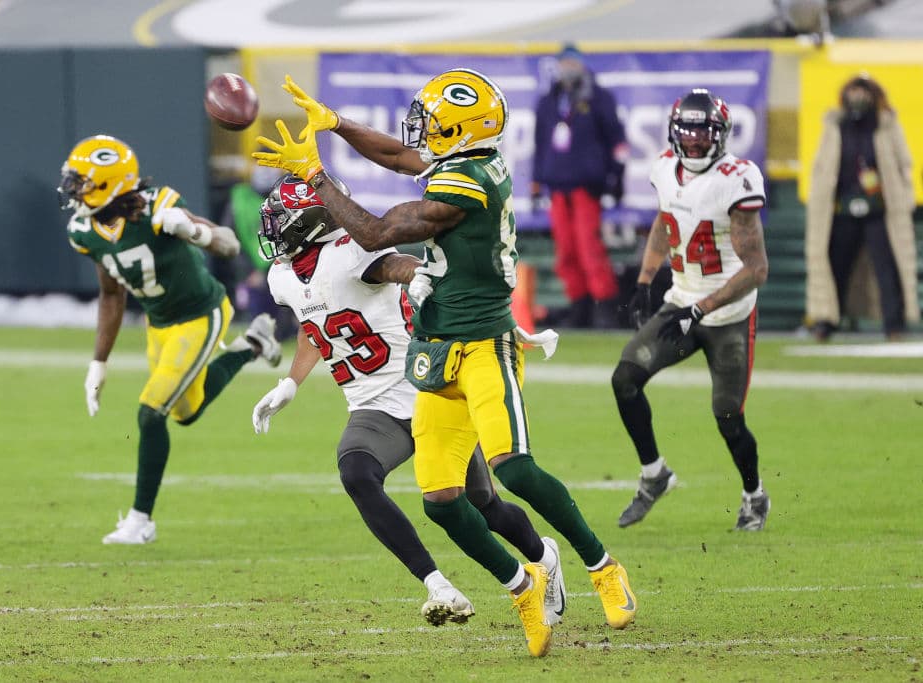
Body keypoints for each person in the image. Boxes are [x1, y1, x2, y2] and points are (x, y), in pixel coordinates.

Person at [253, 69, 636, 658]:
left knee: (513, 470)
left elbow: (381, 235)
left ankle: (601, 565)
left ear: (460, 129)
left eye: (433, 122)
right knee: (442, 502)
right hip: (435, 354)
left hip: (484, 342)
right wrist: (334, 124)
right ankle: (523, 586)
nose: (422, 131)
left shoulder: (471, 182)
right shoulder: (456, 162)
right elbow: (402, 158)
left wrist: (317, 177)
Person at [250, 173, 567, 628]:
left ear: (312, 223)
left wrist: (418, 275)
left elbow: (393, 264)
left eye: (280, 221)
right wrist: (291, 383)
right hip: (372, 408)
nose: (273, 231)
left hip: (428, 391)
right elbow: (313, 316)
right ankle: (438, 584)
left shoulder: (351, 252)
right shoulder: (282, 274)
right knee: (356, 471)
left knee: (481, 505)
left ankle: (543, 555)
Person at [58, 134, 283, 544]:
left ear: (109, 185)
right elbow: (111, 294)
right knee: (185, 412)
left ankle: (140, 522)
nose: (74, 190)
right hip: (158, 324)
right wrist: (99, 362)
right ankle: (254, 344)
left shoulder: (157, 205)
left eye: (83, 182)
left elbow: (229, 245)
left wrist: (192, 231)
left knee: (151, 411)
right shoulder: (83, 229)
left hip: (201, 314)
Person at [613, 90, 771, 532]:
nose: (696, 141)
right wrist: (645, 281)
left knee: (727, 416)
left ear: (720, 136)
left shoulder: (735, 179)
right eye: (688, 131)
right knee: (625, 380)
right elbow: (666, 223)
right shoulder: (664, 167)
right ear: (674, 132)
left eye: (705, 132)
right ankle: (654, 474)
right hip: (682, 302)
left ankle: (754, 495)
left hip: (728, 316)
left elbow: (757, 269)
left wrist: (700, 309)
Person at [805, 74, 918, 342]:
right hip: (842, 208)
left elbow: (903, 163)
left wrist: (905, 195)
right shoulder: (835, 126)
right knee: (834, 266)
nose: (858, 97)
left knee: (888, 267)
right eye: (854, 91)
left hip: (880, 209)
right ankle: (826, 321)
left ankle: (894, 325)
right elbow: (822, 166)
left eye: (864, 91)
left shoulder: (886, 125)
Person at [531, 44, 628, 329]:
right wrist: (536, 183)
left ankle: (604, 309)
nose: (566, 69)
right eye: (563, 63)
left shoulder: (599, 98)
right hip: (558, 188)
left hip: (588, 187)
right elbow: (540, 146)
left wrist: (616, 179)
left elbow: (616, 141)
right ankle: (579, 307)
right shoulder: (549, 101)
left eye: (571, 63)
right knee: (567, 253)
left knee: (590, 250)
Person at [218, 164, 297, 339]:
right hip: (252, 267)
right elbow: (229, 238)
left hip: (286, 264)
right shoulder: (239, 199)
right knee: (260, 320)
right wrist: (248, 271)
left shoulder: (288, 196)